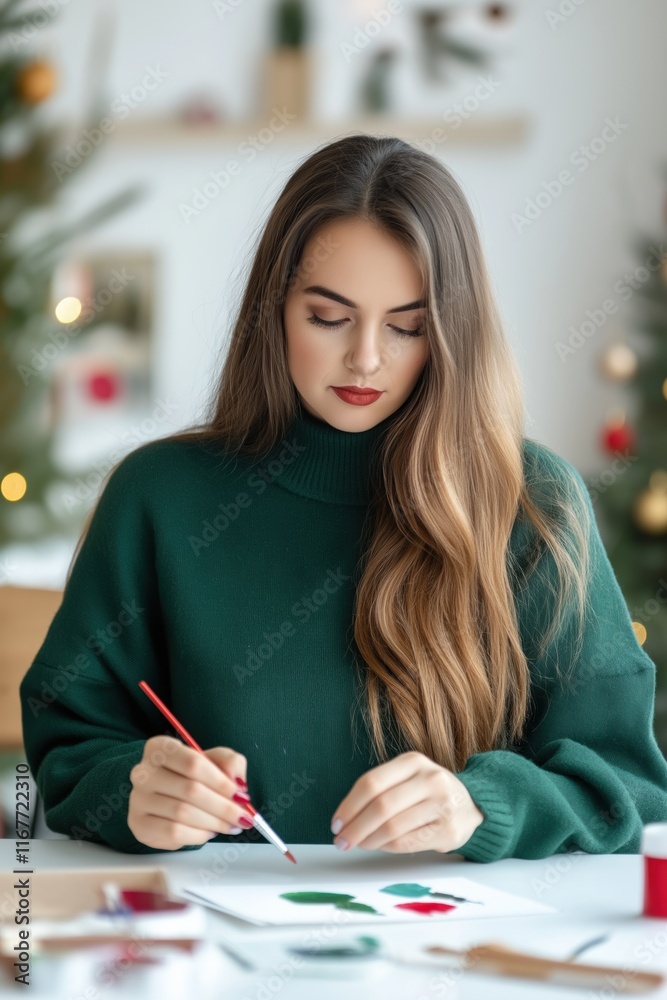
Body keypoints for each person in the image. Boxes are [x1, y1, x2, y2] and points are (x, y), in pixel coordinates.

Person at [20, 134, 667, 861]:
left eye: (406, 327)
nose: (365, 358)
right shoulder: (158, 497)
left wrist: (481, 804)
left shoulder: (534, 502)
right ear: (273, 311)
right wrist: (131, 789)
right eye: (327, 317)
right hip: (210, 959)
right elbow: (69, 737)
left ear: (451, 333)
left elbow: (627, 783)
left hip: (456, 962)